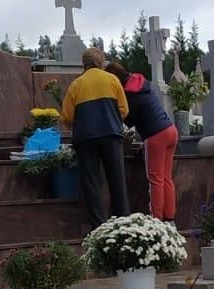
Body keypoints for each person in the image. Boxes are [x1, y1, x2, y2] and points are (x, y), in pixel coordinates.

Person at [59, 47, 130, 227]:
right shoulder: (112, 79)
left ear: (84, 65)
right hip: (111, 135)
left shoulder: (76, 84)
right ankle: (122, 222)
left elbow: (66, 116)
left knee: (91, 183)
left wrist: (78, 125)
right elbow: (124, 110)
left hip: (85, 138)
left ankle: (97, 226)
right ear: (100, 62)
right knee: (117, 180)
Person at [105, 59, 177, 221]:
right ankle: (170, 218)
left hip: (155, 135)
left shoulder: (129, 93)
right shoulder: (140, 82)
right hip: (170, 130)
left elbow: (129, 120)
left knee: (155, 180)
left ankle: (157, 220)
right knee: (166, 178)